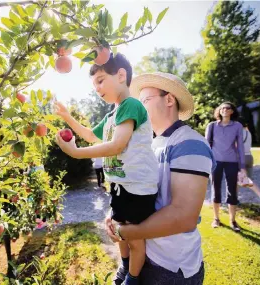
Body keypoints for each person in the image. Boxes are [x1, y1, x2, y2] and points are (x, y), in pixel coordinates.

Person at [54, 53, 159, 285]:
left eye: (100, 80)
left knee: (134, 237)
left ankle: (133, 278)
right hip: (121, 184)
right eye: (94, 85)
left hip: (138, 186)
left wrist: (75, 152)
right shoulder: (113, 114)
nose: (97, 88)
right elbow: (91, 135)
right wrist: (68, 117)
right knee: (118, 229)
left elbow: (117, 145)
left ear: (121, 75)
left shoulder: (130, 105)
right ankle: (124, 267)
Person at [105, 72, 216, 285]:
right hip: (144, 256)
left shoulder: (190, 143)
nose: (138, 107)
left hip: (169, 268)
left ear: (169, 99)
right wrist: (116, 216)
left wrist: (124, 231)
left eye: (145, 100)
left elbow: (184, 215)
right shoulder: (150, 145)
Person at [205, 102, 246, 232]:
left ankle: (232, 220)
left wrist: (242, 167)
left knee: (232, 191)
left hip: (231, 162)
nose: (224, 110)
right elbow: (207, 145)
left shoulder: (237, 126)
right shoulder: (212, 126)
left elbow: (240, 147)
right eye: (222, 108)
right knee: (215, 189)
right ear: (219, 111)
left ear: (232, 111)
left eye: (227, 108)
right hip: (215, 162)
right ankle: (216, 219)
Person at [238, 118, 260, 211]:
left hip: (241, 158)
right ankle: (235, 199)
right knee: (239, 179)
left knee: (243, 180)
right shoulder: (248, 132)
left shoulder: (238, 132)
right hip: (249, 157)